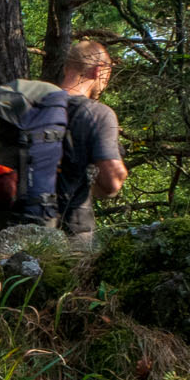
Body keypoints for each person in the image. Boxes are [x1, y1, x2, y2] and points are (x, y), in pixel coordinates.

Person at [55, 39, 128, 237]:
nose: (104, 85)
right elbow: (112, 183)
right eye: (106, 78)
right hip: (70, 231)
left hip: (16, 224)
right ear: (99, 71)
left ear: (66, 68)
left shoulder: (33, 105)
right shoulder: (98, 114)